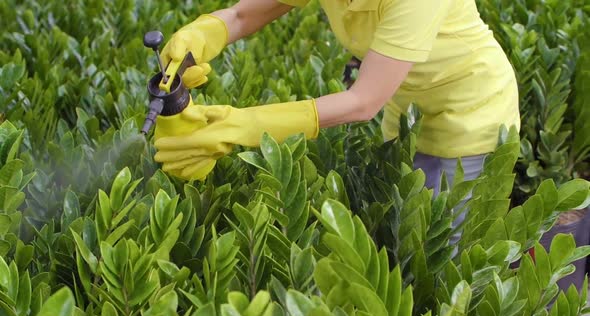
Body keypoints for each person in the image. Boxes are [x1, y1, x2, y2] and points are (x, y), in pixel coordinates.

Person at [152, 0, 521, 237]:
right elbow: (244, 14)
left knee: (449, 251)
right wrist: (203, 33)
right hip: (409, 114)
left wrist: (244, 126)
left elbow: (362, 102)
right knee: (407, 235)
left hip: (473, 112)